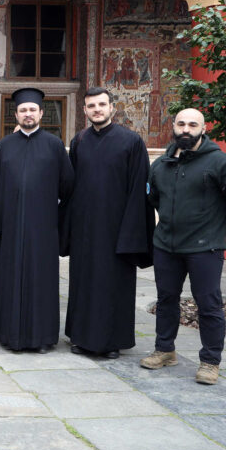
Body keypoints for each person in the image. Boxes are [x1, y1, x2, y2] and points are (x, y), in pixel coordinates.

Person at [143, 108, 226, 385]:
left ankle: (210, 361)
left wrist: (222, 228)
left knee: (208, 305)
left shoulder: (222, 163)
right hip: (166, 246)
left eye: (192, 124)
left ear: (203, 128)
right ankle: (165, 350)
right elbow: (153, 198)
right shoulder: (161, 164)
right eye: (181, 123)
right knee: (166, 299)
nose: (186, 129)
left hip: (204, 249)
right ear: (173, 126)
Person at [0, 87, 74, 352]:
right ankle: (10, 336)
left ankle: (42, 338)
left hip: (43, 228)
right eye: (22, 110)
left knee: (41, 282)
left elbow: (67, 186)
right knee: (10, 279)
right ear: (16, 114)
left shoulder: (54, 145)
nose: (28, 114)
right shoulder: (5, 145)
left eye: (32, 110)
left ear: (41, 113)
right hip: (10, 228)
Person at [63, 88, 154, 359]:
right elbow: (70, 187)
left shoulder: (131, 141)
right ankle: (80, 337)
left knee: (113, 285)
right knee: (83, 283)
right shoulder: (78, 141)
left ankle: (111, 340)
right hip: (85, 228)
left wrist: (132, 232)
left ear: (112, 108)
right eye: (91, 106)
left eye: (102, 104)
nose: (97, 110)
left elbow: (140, 189)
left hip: (118, 229)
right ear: (85, 111)